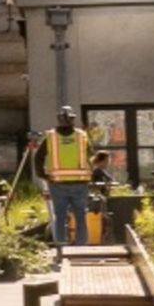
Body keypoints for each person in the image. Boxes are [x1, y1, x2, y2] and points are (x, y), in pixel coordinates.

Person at [43, 106, 96, 247]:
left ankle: (61, 243)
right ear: (73, 119)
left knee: (60, 215)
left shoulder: (51, 137)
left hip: (57, 183)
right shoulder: (81, 136)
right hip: (79, 183)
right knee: (80, 214)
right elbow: (91, 155)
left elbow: (38, 158)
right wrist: (91, 173)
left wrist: (44, 175)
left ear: (59, 119)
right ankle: (81, 244)